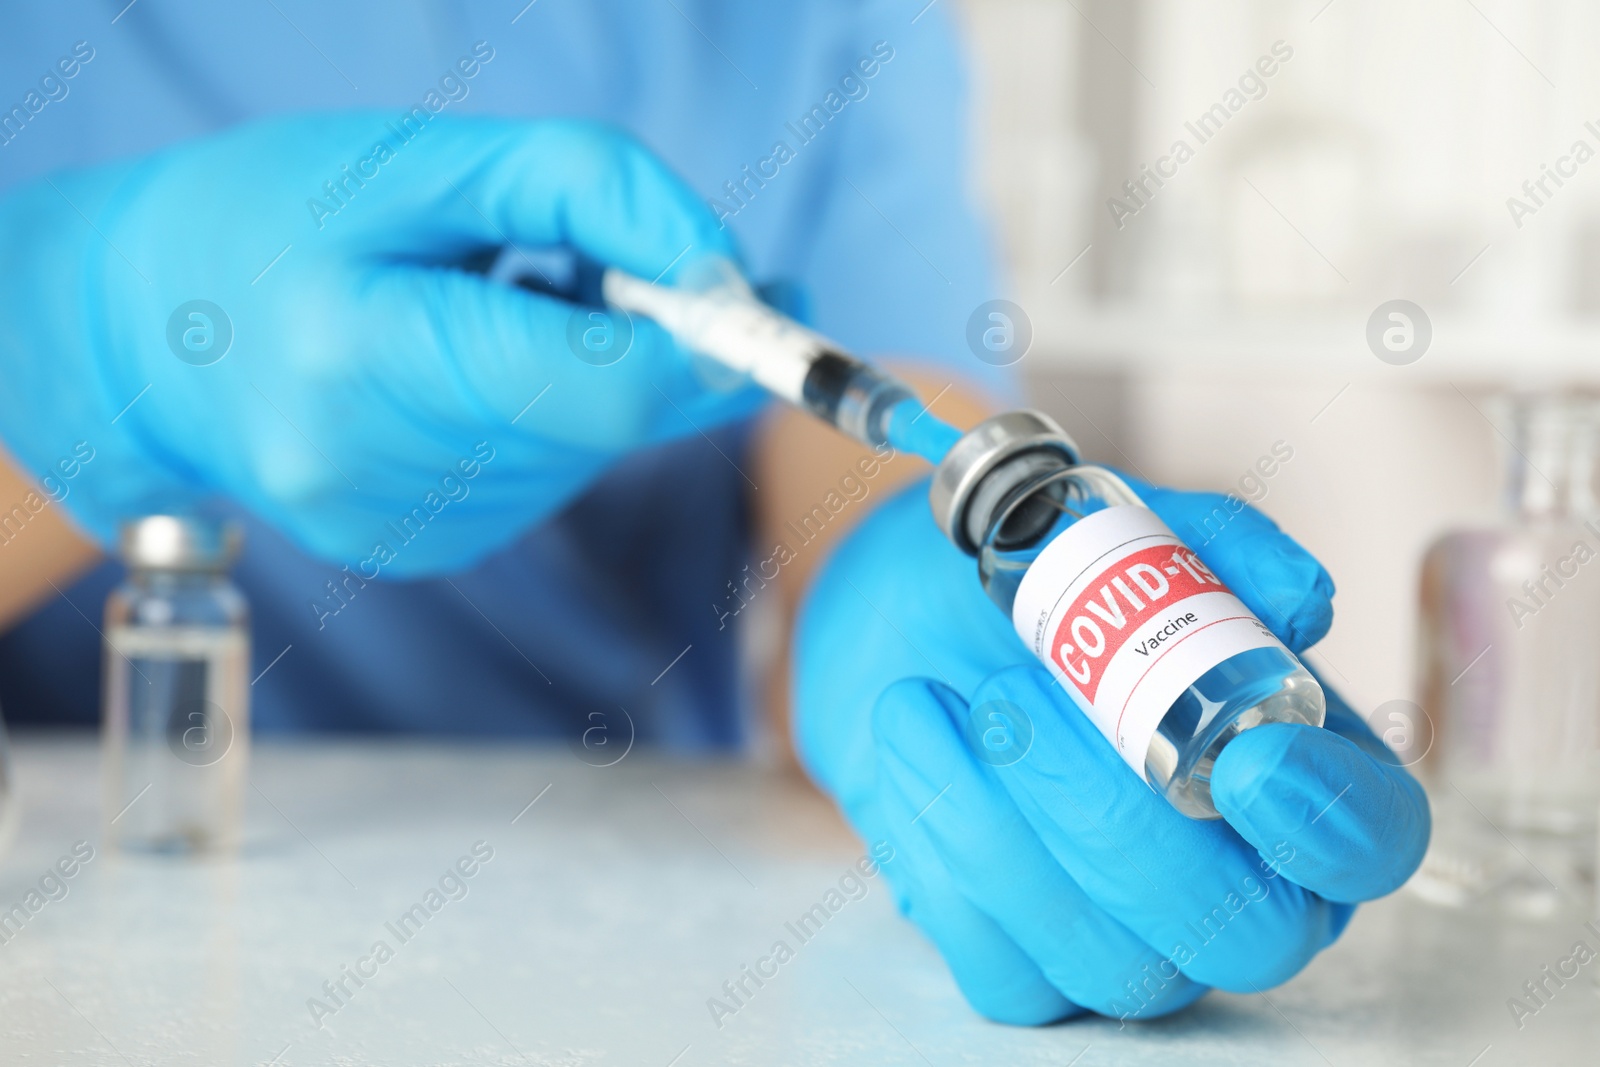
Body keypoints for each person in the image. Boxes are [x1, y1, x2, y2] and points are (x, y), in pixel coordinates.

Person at [0, 1, 1427, 1025]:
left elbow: (881, 442)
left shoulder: (812, 28)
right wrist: (92, 351)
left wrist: (914, 593)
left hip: (618, 914)